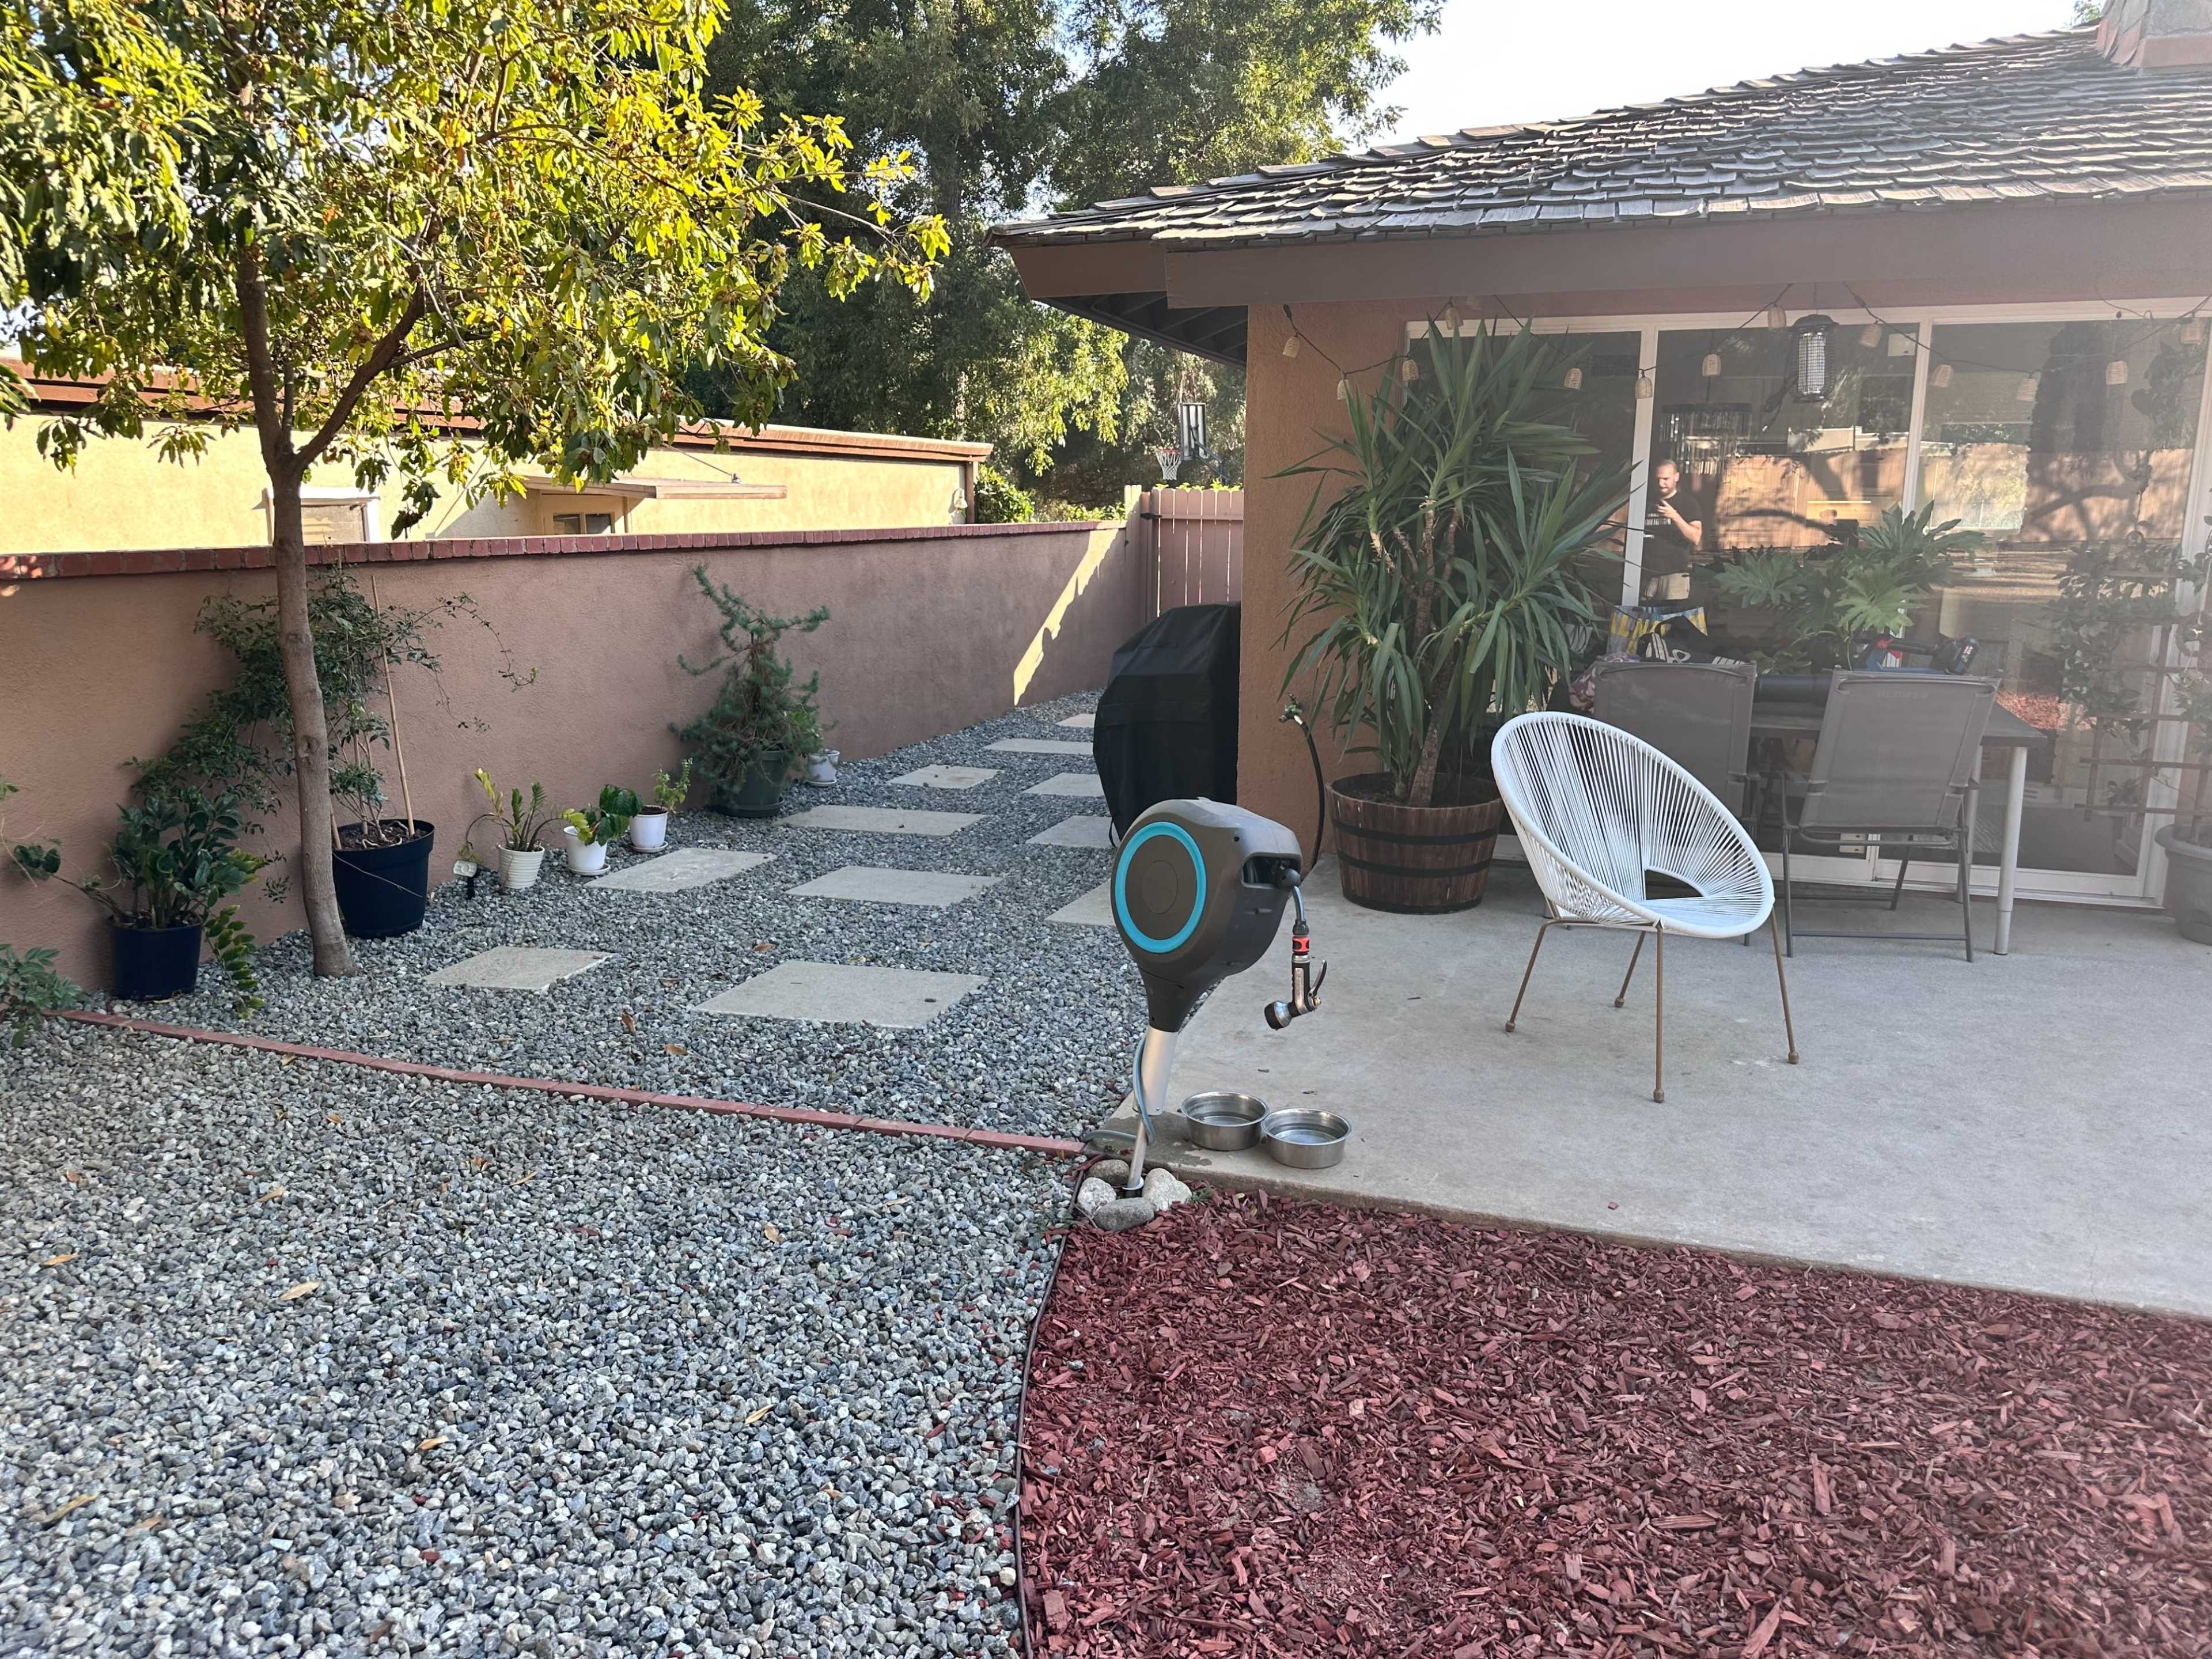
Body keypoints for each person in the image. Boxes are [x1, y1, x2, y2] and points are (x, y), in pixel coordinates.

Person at [1641, 459, 1711, 601]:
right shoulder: (1646, 502)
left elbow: (1696, 537)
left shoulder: (1688, 503)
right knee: (1642, 614)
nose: (1661, 484)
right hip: (1646, 575)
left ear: (1676, 477)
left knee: (1673, 614)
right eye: (1658, 479)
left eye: (1666, 479)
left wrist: (1675, 517)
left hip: (1674, 575)